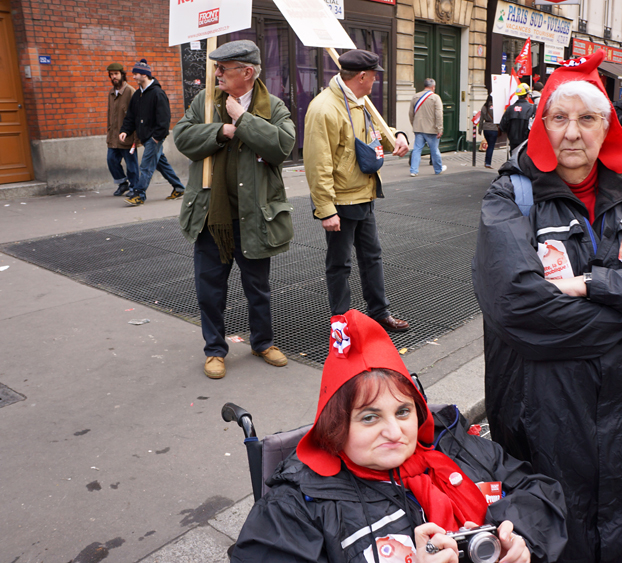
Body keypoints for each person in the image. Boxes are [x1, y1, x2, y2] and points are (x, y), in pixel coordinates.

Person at [472, 49, 622, 562]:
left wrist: (599, 286)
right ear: (541, 126)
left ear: (608, 127)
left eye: (587, 118)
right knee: (556, 535)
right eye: (559, 118)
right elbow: (518, 307)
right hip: (544, 415)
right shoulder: (509, 198)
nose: (572, 132)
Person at [230, 309, 569, 563]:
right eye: (369, 417)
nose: (394, 432)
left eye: (403, 412)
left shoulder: (456, 445)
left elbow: (541, 493)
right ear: (336, 427)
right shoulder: (296, 505)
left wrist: (519, 538)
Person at [173, 40, 295, 379]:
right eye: (217, 67)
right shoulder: (206, 102)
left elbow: (282, 146)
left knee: (258, 287)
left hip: (256, 217)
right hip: (213, 217)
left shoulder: (273, 107)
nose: (217, 73)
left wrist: (243, 119)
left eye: (223, 68)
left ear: (248, 72)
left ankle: (262, 342)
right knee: (209, 288)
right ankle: (214, 350)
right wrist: (221, 130)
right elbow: (182, 138)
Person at [303, 50, 411, 334]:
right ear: (362, 76)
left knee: (372, 256)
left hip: (364, 193)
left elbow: (378, 133)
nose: (376, 80)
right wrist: (326, 209)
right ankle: (341, 323)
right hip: (341, 200)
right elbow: (317, 163)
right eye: (375, 75)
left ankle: (379, 313)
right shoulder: (324, 108)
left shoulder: (360, 101)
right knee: (340, 264)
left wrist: (398, 135)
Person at [119, 58, 185, 206]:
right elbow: (130, 116)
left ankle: (139, 194)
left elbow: (165, 118)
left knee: (146, 166)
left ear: (144, 75)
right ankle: (179, 187)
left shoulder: (157, 93)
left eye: (136, 74)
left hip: (154, 137)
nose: (134, 77)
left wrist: (156, 137)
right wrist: (125, 130)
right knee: (161, 163)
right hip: (146, 136)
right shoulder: (137, 95)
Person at [105, 63, 138, 197]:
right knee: (111, 160)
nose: (114, 77)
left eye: (116, 74)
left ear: (122, 75)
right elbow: (110, 114)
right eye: (112, 75)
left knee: (131, 165)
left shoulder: (130, 91)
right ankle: (122, 183)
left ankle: (134, 187)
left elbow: (136, 114)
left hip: (127, 136)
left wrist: (135, 135)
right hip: (114, 136)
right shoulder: (111, 93)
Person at [409, 78, 446, 177]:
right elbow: (439, 114)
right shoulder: (435, 98)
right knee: (434, 150)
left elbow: (410, 113)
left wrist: (414, 124)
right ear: (433, 87)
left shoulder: (415, 96)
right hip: (431, 129)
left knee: (417, 149)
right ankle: (438, 169)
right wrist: (440, 128)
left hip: (418, 128)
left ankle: (414, 170)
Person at [499, 84, 535, 156]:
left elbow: (502, 126)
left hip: (513, 143)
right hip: (526, 144)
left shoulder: (510, 109)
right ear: (527, 95)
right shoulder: (532, 108)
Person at [477, 95, 499, 169]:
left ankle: (486, 161)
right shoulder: (496, 107)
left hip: (486, 128)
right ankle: (488, 163)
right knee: (491, 146)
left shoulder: (484, 107)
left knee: (489, 145)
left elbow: (481, 119)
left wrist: (480, 129)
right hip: (494, 128)